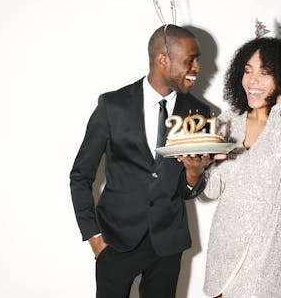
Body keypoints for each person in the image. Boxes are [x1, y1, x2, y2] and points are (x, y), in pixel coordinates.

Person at [70, 24, 212, 298]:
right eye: (190, 60)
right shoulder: (113, 105)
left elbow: (186, 189)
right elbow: (80, 176)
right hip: (116, 240)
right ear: (162, 59)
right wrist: (95, 239)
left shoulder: (197, 112)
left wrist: (194, 174)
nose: (197, 67)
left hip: (168, 243)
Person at [202, 37, 281, 298]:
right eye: (248, 70)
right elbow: (212, 190)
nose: (252, 80)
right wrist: (201, 163)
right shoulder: (228, 121)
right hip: (225, 244)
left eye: (265, 72)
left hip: (270, 249)